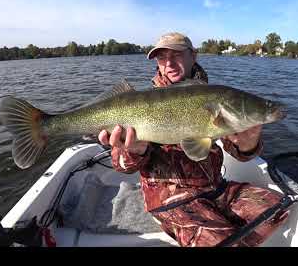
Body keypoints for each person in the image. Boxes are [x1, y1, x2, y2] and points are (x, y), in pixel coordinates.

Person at [98, 32, 288, 247]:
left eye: (176, 55)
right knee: (223, 242)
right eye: (162, 58)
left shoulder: (217, 97)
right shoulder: (138, 104)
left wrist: (248, 144)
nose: (169, 63)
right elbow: (122, 166)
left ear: (193, 56)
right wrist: (135, 150)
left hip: (215, 189)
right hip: (171, 201)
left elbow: (240, 153)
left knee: (278, 208)